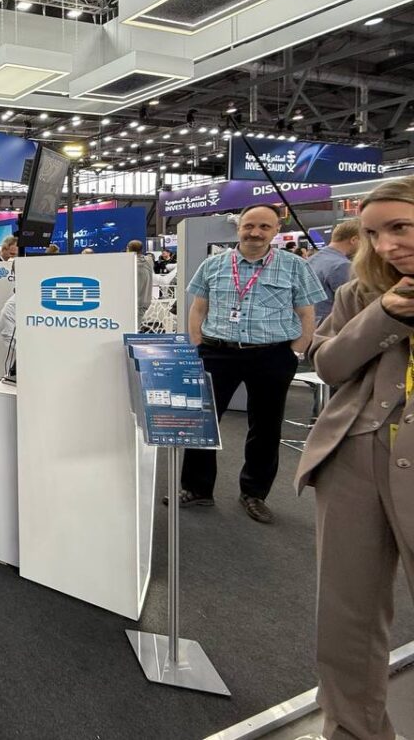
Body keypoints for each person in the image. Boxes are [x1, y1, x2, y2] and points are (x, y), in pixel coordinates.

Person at [295, 177, 414, 740]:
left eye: (400, 227)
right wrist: (384, 314)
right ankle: (351, 729)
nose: (386, 244)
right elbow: (329, 364)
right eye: (372, 233)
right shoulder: (360, 291)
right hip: (355, 454)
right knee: (347, 614)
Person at [181, 204, 326, 523]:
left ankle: (254, 493)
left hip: (272, 355)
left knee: (266, 426)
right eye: (249, 225)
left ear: (275, 231)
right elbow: (198, 308)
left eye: (264, 226)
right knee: (202, 422)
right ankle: (197, 488)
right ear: (239, 228)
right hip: (218, 352)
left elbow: (306, 313)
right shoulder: (213, 264)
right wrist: (197, 343)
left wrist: (296, 351)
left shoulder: (294, 266)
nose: (255, 232)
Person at [307, 219, 361, 324]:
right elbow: (352, 305)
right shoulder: (342, 265)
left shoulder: (312, 260)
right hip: (330, 326)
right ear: (354, 240)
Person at [127, 240, 154, 319]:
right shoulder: (149, 260)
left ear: (128, 249)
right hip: (145, 301)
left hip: (135, 303)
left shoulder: (131, 263)